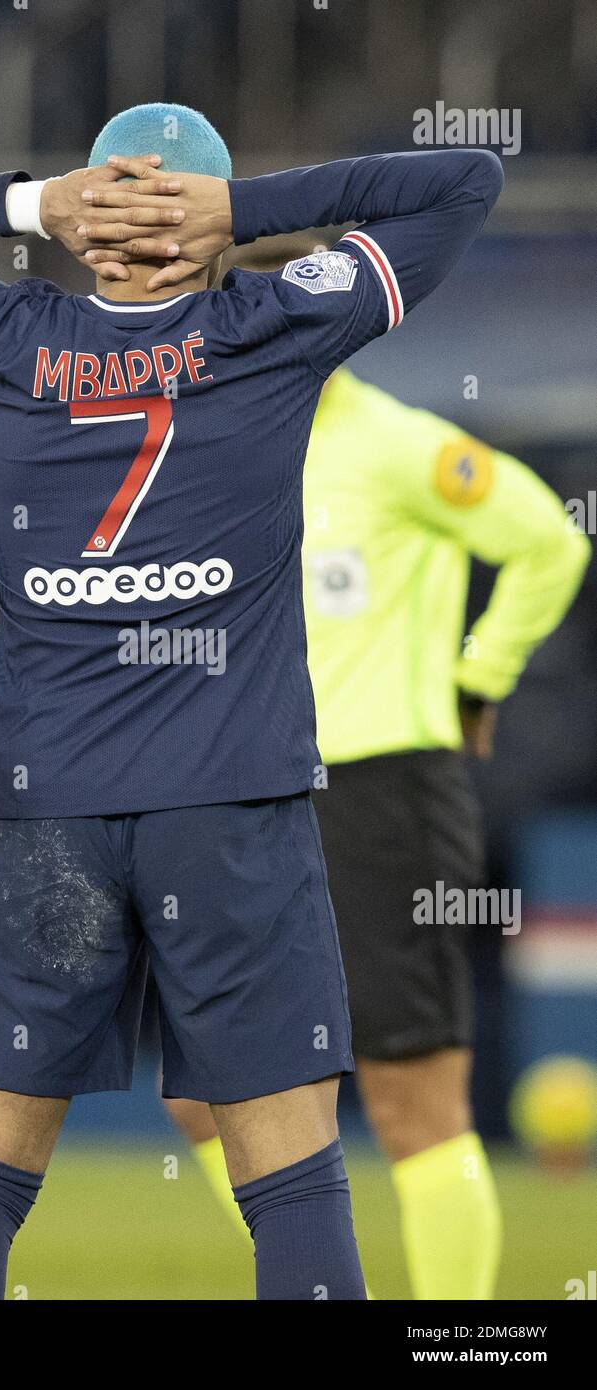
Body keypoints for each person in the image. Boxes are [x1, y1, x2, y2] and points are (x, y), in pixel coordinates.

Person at [0, 101, 502, 1300]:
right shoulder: (273, 321)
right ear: (206, 234)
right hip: (232, 808)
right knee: (297, 1187)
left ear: (86, 228)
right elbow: (463, 180)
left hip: (47, 816)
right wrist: (246, 213)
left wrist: (26, 205)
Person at [164, 362, 590, 1299]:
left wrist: (481, 675)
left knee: (411, 1098)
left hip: (382, 792)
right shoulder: (212, 446)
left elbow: (548, 544)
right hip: (238, 792)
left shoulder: (401, 446)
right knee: (199, 1090)